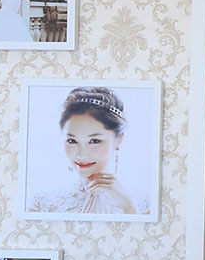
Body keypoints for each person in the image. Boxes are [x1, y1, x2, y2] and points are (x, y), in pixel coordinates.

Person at [29, 87, 148, 215]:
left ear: (118, 140)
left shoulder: (144, 204)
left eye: (94, 141)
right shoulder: (43, 204)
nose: (81, 154)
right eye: (72, 141)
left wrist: (128, 206)